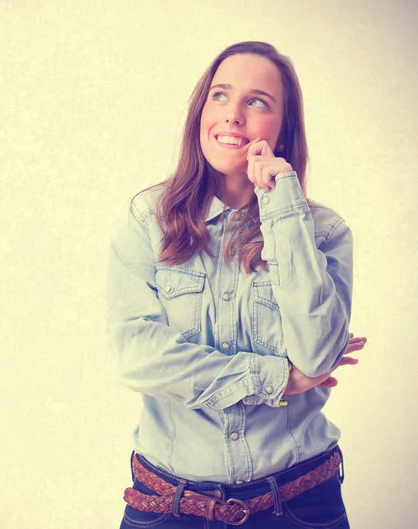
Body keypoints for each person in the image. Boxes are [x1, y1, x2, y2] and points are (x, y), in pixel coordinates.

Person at [107, 41, 367, 528]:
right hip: (168, 507)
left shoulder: (325, 232)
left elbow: (316, 355)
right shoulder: (150, 220)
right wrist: (275, 379)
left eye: (257, 102)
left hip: (298, 504)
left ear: (283, 129)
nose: (232, 116)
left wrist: (282, 204)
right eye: (220, 96)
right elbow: (136, 355)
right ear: (201, 112)